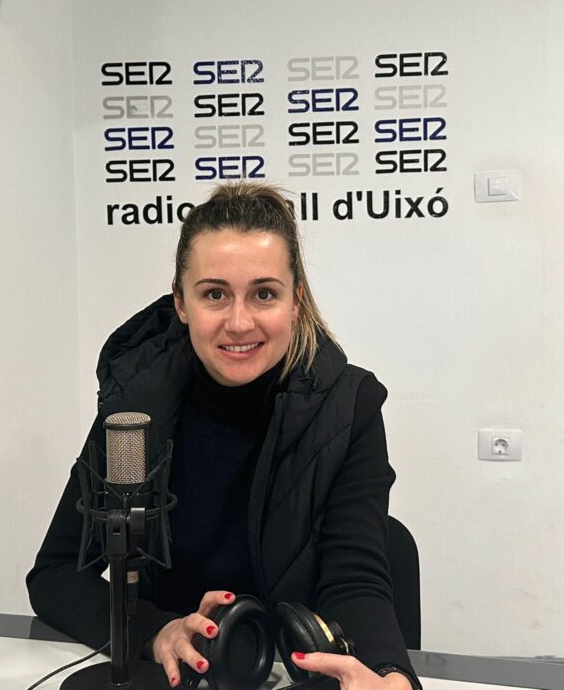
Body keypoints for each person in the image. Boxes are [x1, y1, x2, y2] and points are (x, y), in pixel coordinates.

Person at [27, 182, 420, 690]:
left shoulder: (349, 406)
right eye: (214, 294)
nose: (239, 322)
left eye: (264, 294)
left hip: (293, 674)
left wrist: (391, 676)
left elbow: (356, 578)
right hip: (181, 677)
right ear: (181, 303)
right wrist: (154, 631)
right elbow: (56, 574)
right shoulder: (135, 408)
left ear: (295, 301)